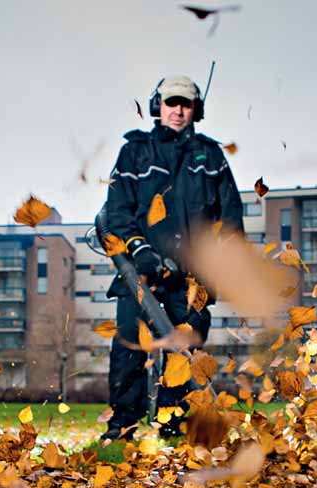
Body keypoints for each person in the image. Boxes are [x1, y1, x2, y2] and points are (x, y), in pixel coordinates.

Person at [98, 74, 244, 440]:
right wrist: (140, 250)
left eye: (186, 104)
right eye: (171, 103)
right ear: (157, 107)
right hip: (140, 272)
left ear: (196, 109)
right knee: (131, 342)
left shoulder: (210, 156)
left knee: (185, 351)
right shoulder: (134, 152)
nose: (178, 111)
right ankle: (123, 425)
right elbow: (117, 211)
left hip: (192, 278)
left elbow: (230, 219)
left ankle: (173, 423)